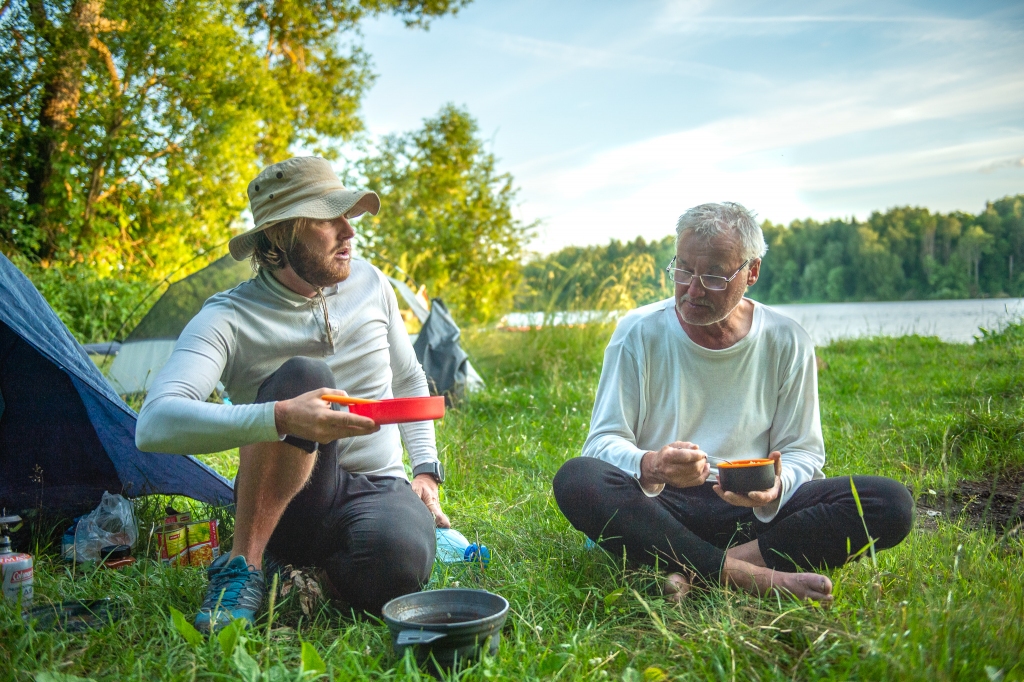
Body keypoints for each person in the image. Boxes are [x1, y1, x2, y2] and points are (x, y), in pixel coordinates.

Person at [137, 156, 450, 632]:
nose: (349, 231)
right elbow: (154, 423)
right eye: (328, 219)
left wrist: (425, 471)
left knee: (400, 560)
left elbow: (408, 379)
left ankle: (305, 581)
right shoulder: (229, 317)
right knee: (304, 375)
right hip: (283, 501)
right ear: (280, 237)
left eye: (348, 215)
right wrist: (280, 416)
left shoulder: (373, 284)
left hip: (377, 485)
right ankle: (243, 567)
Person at [552, 202, 914, 603]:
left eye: (713, 276)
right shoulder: (638, 332)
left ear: (751, 272)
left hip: (750, 514)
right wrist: (653, 464)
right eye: (684, 269)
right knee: (578, 478)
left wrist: (776, 487)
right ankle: (752, 576)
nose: (692, 289)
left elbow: (802, 452)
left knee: (889, 503)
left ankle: (696, 568)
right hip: (660, 507)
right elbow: (602, 443)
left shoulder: (786, 339)